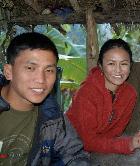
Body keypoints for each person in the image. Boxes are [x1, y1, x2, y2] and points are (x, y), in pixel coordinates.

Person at [0, 32, 90, 165]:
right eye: (30, 68)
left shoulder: (52, 116)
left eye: (49, 71)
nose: (41, 80)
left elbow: (73, 155)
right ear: (9, 72)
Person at [66, 39, 140, 154]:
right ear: (101, 66)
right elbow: (86, 141)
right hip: (68, 148)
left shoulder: (130, 94)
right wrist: (129, 144)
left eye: (124, 64)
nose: (118, 70)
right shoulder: (86, 93)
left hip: (98, 151)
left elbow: (116, 132)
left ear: (130, 66)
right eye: (111, 63)